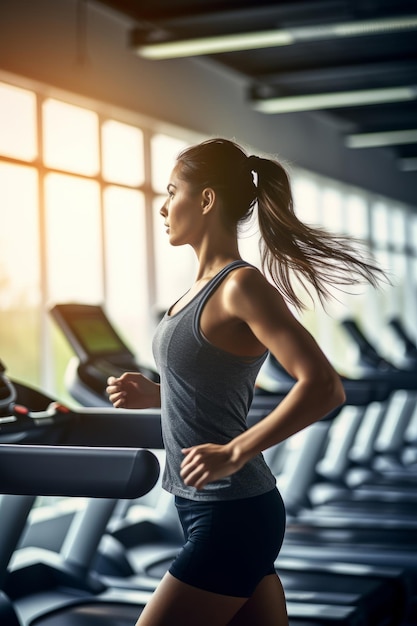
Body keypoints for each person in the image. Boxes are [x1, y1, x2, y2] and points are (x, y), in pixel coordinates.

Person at [107, 138, 384, 626]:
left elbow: (323, 386)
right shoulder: (196, 290)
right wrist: (154, 393)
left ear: (208, 199)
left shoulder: (240, 286)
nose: (163, 207)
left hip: (231, 514)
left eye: (173, 191)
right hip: (204, 509)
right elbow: (218, 379)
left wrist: (233, 453)